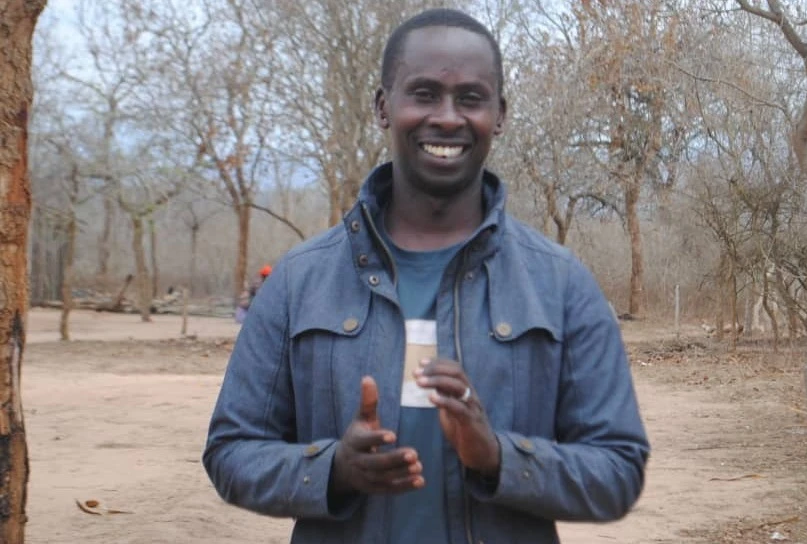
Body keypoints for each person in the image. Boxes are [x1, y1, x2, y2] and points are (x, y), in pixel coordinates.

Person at [204, 8, 649, 544]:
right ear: (383, 107)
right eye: (423, 93)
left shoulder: (560, 284)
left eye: (470, 98)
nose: (447, 117)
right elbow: (231, 452)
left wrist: (497, 457)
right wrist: (333, 470)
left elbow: (619, 470)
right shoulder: (301, 280)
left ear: (499, 114)